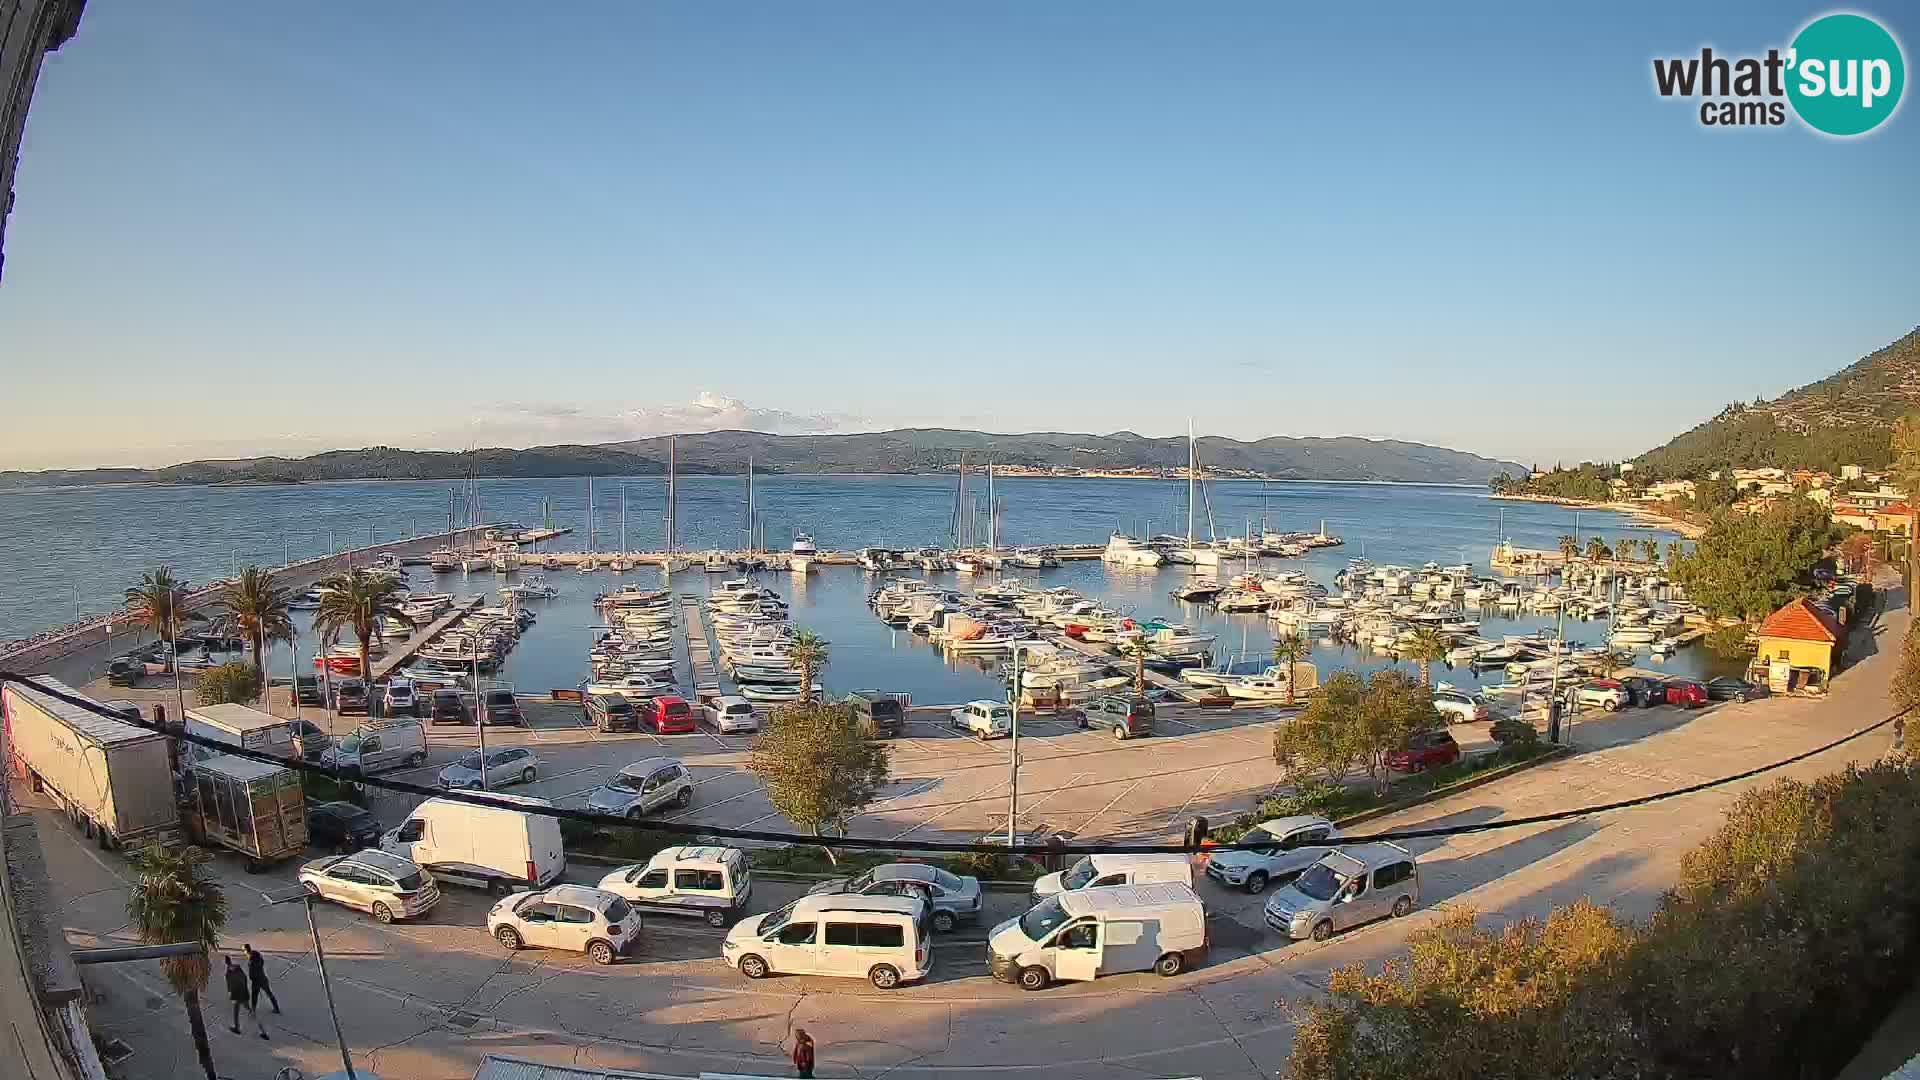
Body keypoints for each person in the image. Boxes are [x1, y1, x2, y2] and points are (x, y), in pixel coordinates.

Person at [225, 955, 267, 1039]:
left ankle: (237, 1028)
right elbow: (244, 979)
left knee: (236, 1012)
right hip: (244, 993)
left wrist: (231, 992)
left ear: (226, 963)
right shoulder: (239, 969)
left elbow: (229, 986)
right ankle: (262, 1031)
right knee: (249, 1010)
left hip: (237, 994)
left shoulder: (228, 973)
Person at [245, 944, 281, 1014]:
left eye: (244, 950)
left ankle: (253, 1010)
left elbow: (252, 972)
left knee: (254, 996)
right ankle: (276, 1008)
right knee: (269, 993)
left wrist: (252, 977)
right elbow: (261, 962)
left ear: (246, 950)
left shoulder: (251, 959)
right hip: (263, 978)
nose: (244, 952)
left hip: (256, 980)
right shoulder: (256, 955)